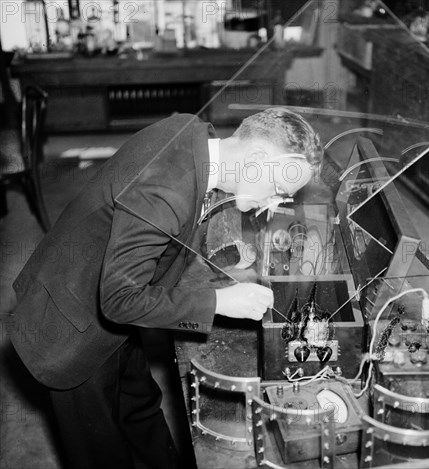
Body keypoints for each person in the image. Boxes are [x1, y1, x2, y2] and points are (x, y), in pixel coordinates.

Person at [7, 108, 323, 469]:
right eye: (279, 190)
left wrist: (216, 266)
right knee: (101, 454)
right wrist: (219, 301)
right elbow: (118, 301)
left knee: (139, 410)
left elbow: (165, 233)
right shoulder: (166, 190)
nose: (272, 204)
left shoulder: (193, 133)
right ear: (254, 159)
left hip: (108, 313)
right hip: (70, 329)